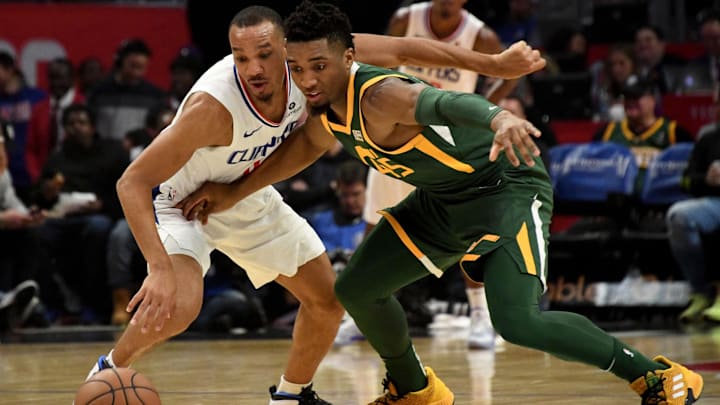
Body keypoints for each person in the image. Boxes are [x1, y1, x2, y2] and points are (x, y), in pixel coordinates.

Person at [179, 2, 704, 403]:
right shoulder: (323, 103)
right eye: (298, 67)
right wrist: (232, 189)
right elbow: (302, 151)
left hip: (506, 189)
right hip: (445, 200)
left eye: (320, 65)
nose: (308, 78)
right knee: (357, 288)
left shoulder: (380, 97)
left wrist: (499, 115)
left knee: (518, 323)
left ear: (347, 56)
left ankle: (654, 376)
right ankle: (414, 390)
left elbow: (445, 99)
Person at [83, 5, 548, 405]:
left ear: (286, 49)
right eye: (242, 57)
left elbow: (406, 50)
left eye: (266, 55)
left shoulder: (308, 63)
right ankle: (106, 372)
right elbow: (132, 181)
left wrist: (494, 64)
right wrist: (159, 267)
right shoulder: (212, 108)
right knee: (179, 305)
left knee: (328, 302)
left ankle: (291, 395)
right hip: (184, 202)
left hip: (245, 193)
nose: (255, 68)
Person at [386, 0, 517, 350]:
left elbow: (511, 72)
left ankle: (480, 317)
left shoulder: (480, 35)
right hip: (393, 134)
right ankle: (359, 315)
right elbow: (374, 68)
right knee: (375, 224)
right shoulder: (405, 19)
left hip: (447, 143)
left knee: (468, 230)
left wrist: (482, 108)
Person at [667, 124, 720, 323]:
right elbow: (686, 181)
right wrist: (707, 180)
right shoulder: (708, 139)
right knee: (678, 215)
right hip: (714, 202)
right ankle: (701, 293)